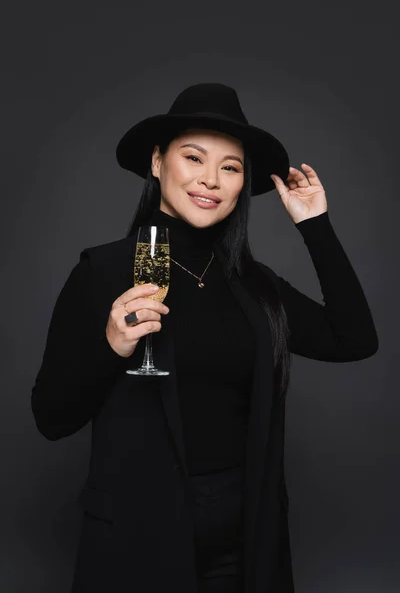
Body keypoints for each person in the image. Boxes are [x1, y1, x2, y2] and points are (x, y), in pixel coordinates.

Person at [31, 83, 379, 593]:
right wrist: (111, 347)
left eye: (231, 167)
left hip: (243, 540)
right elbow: (50, 418)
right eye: (193, 158)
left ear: (243, 183)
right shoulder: (102, 272)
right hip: (138, 536)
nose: (210, 180)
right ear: (157, 163)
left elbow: (354, 339)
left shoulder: (253, 285)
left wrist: (316, 226)